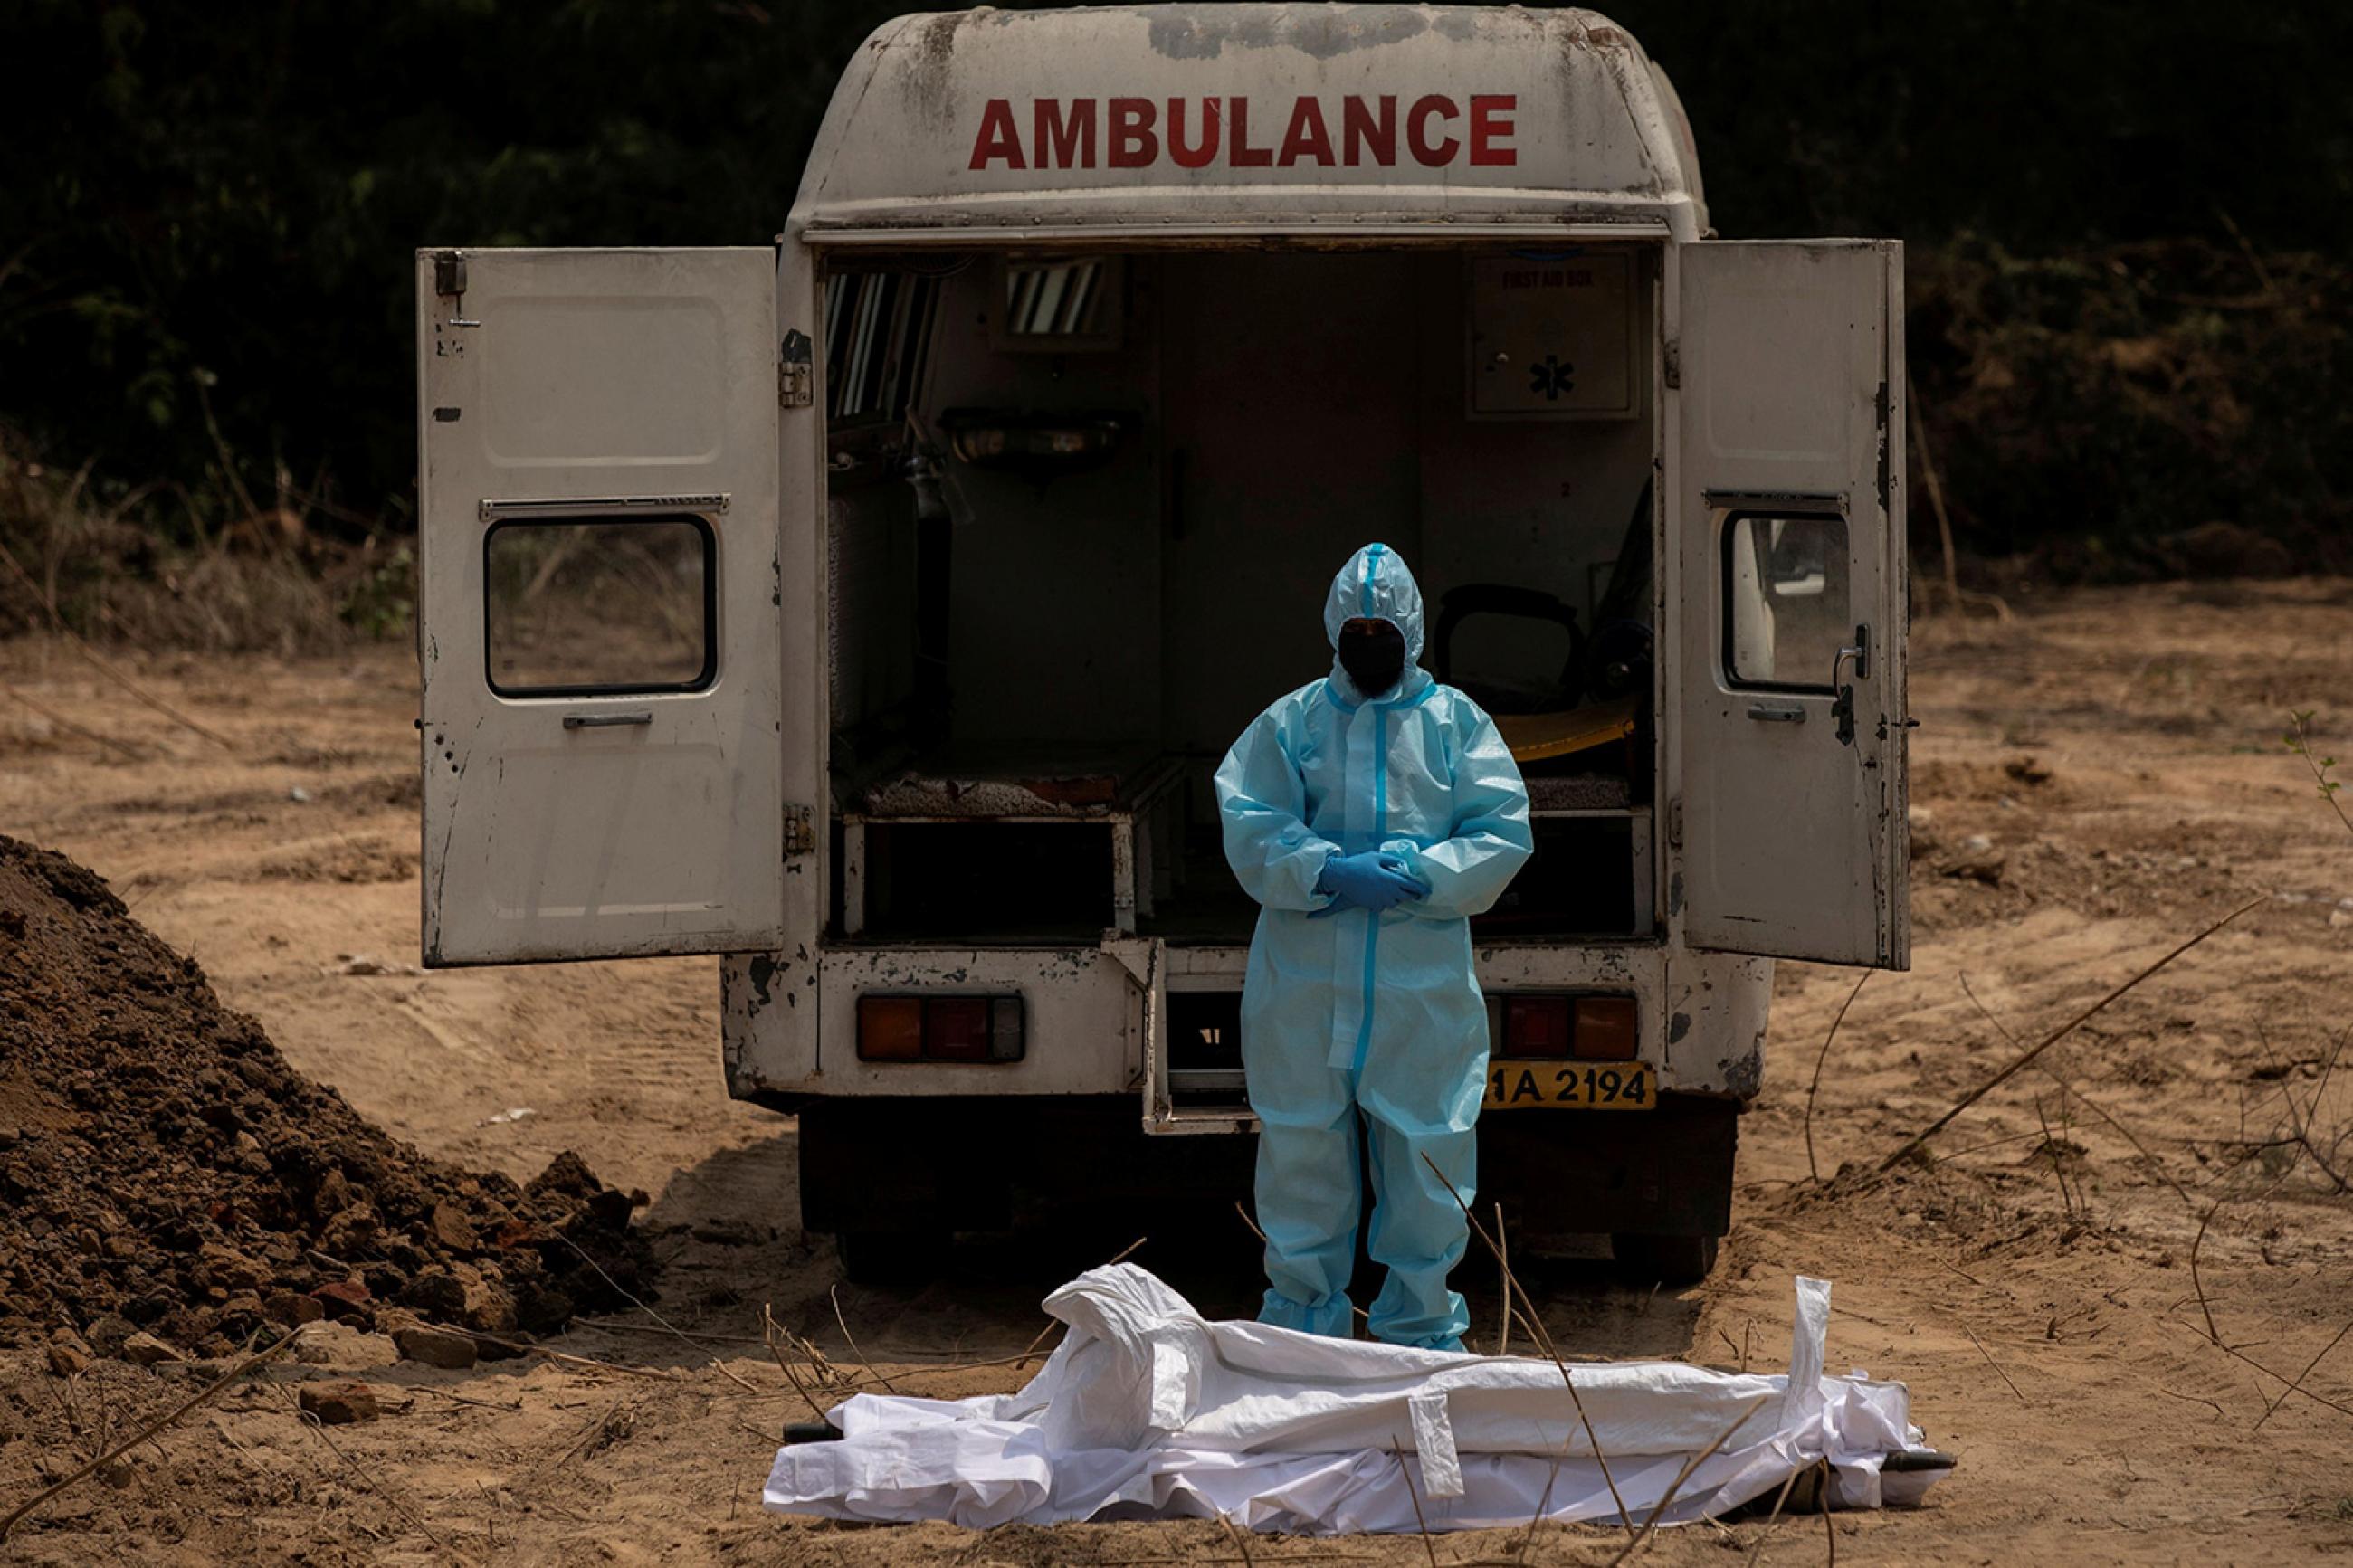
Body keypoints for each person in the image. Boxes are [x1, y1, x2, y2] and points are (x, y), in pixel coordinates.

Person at [1214, 543, 1533, 1352]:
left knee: (1426, 1148)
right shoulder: (1291, 723)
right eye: (1356, 626)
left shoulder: (1457, 724)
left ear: (1410, 629)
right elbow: (1250, 820)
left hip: (1415, 991)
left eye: (1381, 625)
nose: (1368, 639)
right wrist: (1325, 868)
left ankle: (1422, 1329)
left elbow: (1501, 830)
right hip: (1304, 986)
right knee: (1299, 1152)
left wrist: (1424, 873)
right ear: (1333, 627)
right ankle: (1299, 1331)